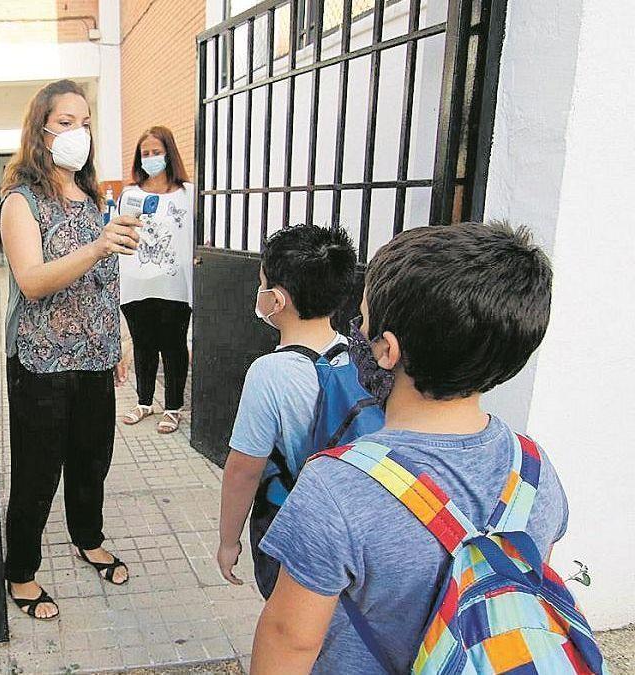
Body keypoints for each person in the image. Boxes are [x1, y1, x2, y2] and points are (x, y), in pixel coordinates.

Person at [249, 222, 568, 674]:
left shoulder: (336, 484)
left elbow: (290, 642)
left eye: (361, 320)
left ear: (387, 350)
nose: (355, 330)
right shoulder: (534, 469)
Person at [0, 79, 142, 620]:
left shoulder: (94, 198)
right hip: (42, 362)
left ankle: (88, 536)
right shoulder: (22, 200)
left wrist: (119, 339)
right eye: (65, 122)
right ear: (40, 129)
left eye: (84, 123)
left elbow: (104, 279)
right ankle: (22, 570)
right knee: (38, 472)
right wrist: (99, 243)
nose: (77, 132)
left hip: (95, 358)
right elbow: (32, 280)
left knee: (92, 461)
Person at [216, 224, 359, 599]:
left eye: (262, 283)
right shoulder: (360, 358)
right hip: (357, 529)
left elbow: (244, 471)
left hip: (297, 534)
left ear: (276, 301)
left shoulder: (270, 372)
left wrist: (228, 541)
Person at [117, 126, 195, 434]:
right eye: (145, 154)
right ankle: (144, 401)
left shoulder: (188, 193)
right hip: (136, 282)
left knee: (173, 346)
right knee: (143, 344)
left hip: (175, 285)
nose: (150, 159)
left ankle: (173, 407)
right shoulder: (129, 194)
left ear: (169, 153)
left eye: (156, 152)